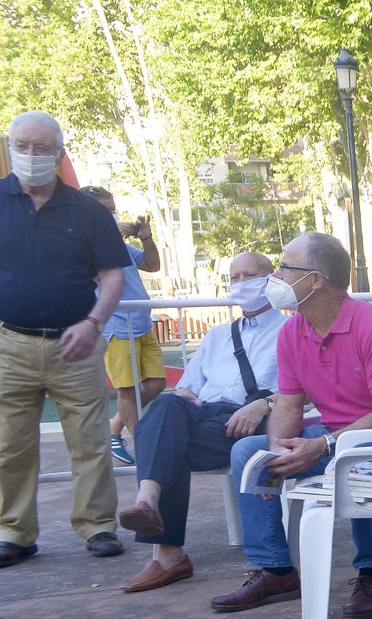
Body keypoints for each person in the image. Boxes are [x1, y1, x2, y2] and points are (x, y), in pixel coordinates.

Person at [212, 232, 372, 619]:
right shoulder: (293, 331)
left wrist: (322, 445)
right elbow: (288, 405)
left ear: (316, 280)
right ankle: (275, 571)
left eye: (285, 267)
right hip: (332, 433)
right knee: (247, 453)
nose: (277, 276)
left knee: (354, 455)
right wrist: (278, 453)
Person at [0, 111, 130, 569]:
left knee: (90, 440)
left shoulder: (88, 210)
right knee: (8, 445)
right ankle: (13, 534)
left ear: (59, 154)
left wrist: (94, 322)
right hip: (4, 343)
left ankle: (98, 527)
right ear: (11, 147)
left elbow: (113, 274)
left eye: (42, 148)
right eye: (23, 145)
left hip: (75, 344)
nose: (32, 155)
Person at [115, 252, 279, 592]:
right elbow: (187, 390)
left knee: (164, 446)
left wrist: (263, 404)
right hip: (205, 412)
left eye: (250, 275)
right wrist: (186, 406)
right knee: (165, 408)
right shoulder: (218, 335)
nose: (241, 283)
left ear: (270, 279)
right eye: (235, 277)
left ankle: (167, 553)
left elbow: (303, 392)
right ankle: (148, 501)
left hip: (252, 418)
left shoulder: (291, 330)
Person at [82, 187, 165, 465]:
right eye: (106, 210)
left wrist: (146, 238)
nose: (112, 214)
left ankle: (113, 429)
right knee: (127, 391)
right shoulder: (84, 246)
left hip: (141, 324)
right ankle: (144, 451)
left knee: (156, 383)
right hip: (117, 329)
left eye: (113, 208)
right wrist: (112, 233)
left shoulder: (120, 246)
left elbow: (152, 265)